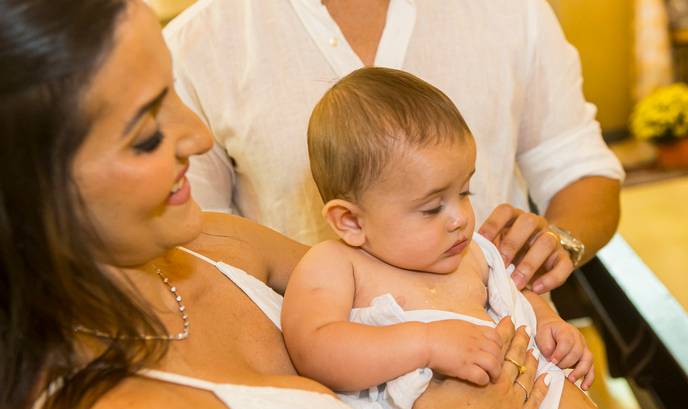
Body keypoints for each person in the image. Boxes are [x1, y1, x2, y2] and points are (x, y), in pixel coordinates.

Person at [0, 1, 654, 409]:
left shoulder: (216, 246)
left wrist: (542, 383)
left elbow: (420, 289)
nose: (197, 135)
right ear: (31, 185)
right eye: (145, 134)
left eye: (172, 90)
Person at [281, 67, 645, 409]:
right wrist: (425, 342)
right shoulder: (337, 265)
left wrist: (549, 324)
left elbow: (515, 295)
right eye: (432, 208)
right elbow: (314, 346)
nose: (459, 218)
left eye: (466, 191)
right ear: (351, 221)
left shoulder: (474, 253)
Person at [164, 0, 625, 294]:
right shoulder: (197, 45)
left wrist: (557, 244)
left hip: (511, 349)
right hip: (313, 381)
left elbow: (579, 169)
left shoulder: (510, 10)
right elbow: (198, 243)